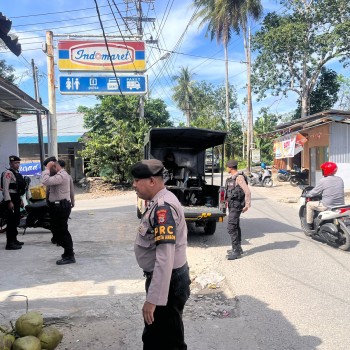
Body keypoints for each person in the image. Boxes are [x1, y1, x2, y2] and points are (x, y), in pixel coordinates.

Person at [131, 159, 191, 350]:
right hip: (168, 280)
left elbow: (165, 258)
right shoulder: (157, 201)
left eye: (137, 180)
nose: (133, 185)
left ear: (151, 181)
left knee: (164, 340)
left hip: (169, 281)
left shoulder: (163, 208)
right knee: (161, 335)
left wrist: (153, 300)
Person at [41, 157, 76, 265]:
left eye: (52, 168)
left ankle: (70, 255)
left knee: (62, 231)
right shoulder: (58, 175)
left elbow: (45, 180)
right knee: (57, 230)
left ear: (56, 166)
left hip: (61, 207)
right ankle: (67, 252)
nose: (50, 170)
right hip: (57, 207)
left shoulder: (62, 175)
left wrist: (47, 168)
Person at [225, 159, 251, 260]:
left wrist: (247, 204)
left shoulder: (239, 178)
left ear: (231, 168)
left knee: (231, 227)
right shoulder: (232, 177)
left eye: (227, 166)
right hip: (232, 205)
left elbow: (247, 192)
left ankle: (236, 251)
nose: (226, 168)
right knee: (235, 226)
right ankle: (237, 248)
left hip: (236, 205)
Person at [306, 161, 344, 230]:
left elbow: (314, 192)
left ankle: (309, 225)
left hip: (327, 205)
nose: (322, 171)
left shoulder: (323, 180)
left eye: (323, 170)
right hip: (340, 205)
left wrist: (307, 194)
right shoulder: (340, 179)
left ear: (326, 170)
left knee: (309, 204)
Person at [1, 155, 27, 250]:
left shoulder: (16, 173)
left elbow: (17, 189)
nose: (17, 164)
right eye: (15, 163)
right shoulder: (7, 173)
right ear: (11, 163)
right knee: (11, 222)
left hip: (16, 198)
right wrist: (9, 201)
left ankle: (14, 239)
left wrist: (20, 200)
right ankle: (10, 243)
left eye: (18, 163)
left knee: (16, 220)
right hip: (10, 198)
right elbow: (6, 189)